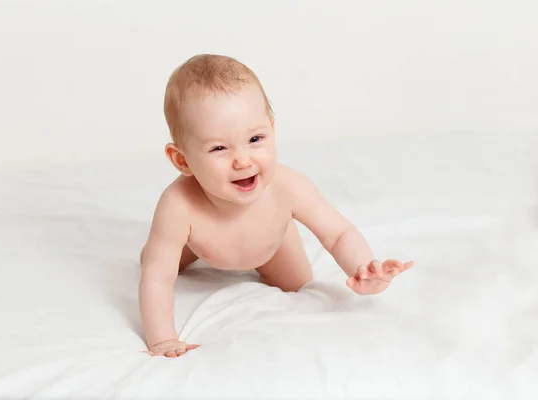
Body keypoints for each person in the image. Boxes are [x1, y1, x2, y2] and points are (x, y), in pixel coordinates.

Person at [139, 54, 414, 358]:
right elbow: (157, 279)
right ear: (182, 160)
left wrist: (364, 269)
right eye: (218, 148)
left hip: (271, 245)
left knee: (298, 285)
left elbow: (338, 233)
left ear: (272, 129)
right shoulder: (178, 206)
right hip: (202, 243)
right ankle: (178, 249)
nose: (243, 160)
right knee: (158, 260)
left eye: (255, 138)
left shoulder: (287, 187)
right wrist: (163, 339)